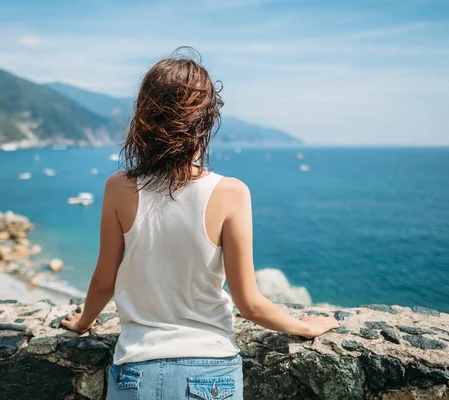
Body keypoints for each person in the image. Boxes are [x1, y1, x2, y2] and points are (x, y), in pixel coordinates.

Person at [61, 49, 339, 399]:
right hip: (211, 372)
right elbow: (249, 303)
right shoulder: (231, 192)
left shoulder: (118, 187)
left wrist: (83, 323)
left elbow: (105, 280)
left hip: (135, 373)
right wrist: (304, 326)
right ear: (205, 122)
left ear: (144, 117)